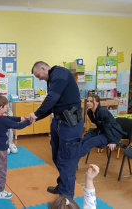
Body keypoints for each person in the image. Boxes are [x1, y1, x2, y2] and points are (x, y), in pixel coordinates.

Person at [29, 61, 84, 198]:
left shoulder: (60, 73)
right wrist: (36, 117)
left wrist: (36, 114)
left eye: (39, 76)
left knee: (67, 161)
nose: (39, 79)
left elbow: (52, 98)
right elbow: (52, 106)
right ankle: (62, 187)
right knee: (57, 157)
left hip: (70, 125)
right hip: (59, 122)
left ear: (43, 68)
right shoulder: (52, 79)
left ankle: (66, 201)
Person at [0, 95, 30, 199]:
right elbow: (18, 126)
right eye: (6, 107)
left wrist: (21, 118)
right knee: (2, 171)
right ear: (1, 107)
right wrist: (28, 121)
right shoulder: (2, 120)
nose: (7, 108)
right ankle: (0, 192)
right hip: (0, 150)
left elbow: (8, 118)